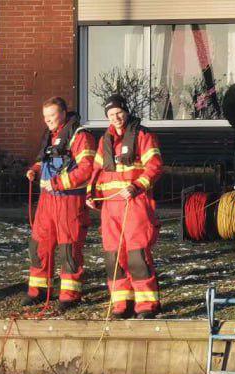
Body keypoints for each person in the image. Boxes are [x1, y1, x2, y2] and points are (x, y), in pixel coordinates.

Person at [89, 95, 163, 318]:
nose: (116, 118)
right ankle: (122, 303)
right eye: (111, 115)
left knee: (137, 254)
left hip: (135, 202)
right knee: (113, 256)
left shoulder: (142, 135)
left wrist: (137, 186)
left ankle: (147, 305)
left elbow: (155, 166)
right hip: (111, 206)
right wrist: (91, 193)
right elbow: (96, 171)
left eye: (119, 113)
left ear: (126, 111)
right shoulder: (105, 141)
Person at [25, 96, 95, 311]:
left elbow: (87, 168)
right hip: (47, 200)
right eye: (45, 117)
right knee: (39, 245)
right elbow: (42, 160)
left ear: (64, 113)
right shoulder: (50, 135)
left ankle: (70, 294)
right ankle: (39, 290)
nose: (48, 120)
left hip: (69, 200)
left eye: (52, 116)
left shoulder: (80, 136)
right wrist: (34, 171)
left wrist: (57, 183)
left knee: (69, 248)